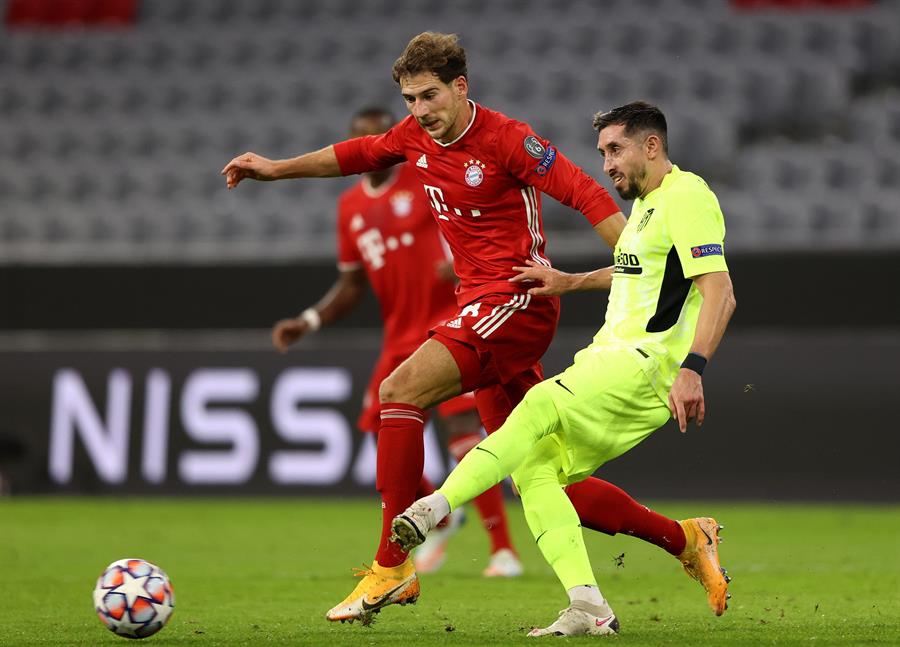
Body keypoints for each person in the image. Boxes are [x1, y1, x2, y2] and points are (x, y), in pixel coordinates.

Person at [223, 33, 717, 625]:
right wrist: (275, 169)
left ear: (460, 87)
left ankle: (392, 565)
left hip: (516, 301)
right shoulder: (414, 136)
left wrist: (634, 256)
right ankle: (685, 540)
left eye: (429, 95)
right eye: (409, 99)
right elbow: (354, 155)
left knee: (399, 392)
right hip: (477, 304)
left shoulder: (509, 139)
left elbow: (582, 189)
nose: (419, 110)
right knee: (536, 468)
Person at [391, 101, 737, 637]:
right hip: (612, 357)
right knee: (533, 469)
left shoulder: (688, 196)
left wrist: (693, 368)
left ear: (652, 145)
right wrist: (570, 281)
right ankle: (589, 605)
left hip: (646, 364)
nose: (607, 165)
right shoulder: (649, 206)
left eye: (615, 150)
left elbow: (719, 290)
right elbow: (637, 272)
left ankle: (434, 507)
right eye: (601, 154)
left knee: (537, 405)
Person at [271, 106, 523, 579]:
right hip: (398, 335)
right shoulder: (349, 207)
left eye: (378, 135)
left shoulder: (421, 175)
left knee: (465, 434)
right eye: (360, 137)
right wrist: (308, 320)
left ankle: (502, 549)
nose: (371, 146)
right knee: (377, 430)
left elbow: (472, 214)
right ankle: (441, 514)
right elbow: (350, 284)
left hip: (451, 319)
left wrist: (466, 260)